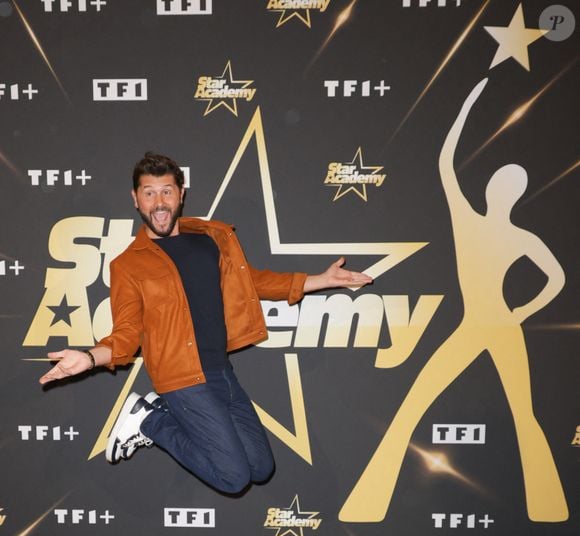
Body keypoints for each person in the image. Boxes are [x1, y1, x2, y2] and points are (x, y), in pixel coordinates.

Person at [40, 152, 372, 493]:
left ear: (181, 194)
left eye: (167, 191)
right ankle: (151, 422)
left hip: (220, 371)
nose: (159, 202)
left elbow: (251, 284)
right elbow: (127, 334)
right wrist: (91, 357)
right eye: (149, 192)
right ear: (135, 199)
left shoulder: (212, 237)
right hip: (181, 379)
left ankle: (153, 414)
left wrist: (319, 280)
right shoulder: (128, 265)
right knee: (233, 478)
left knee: (261, 467)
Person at [339, 78, 568, 523]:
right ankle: (365, 505)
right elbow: (445, 165)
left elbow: (556, 277)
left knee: (523, 414)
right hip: (482, 326)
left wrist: (520, 312)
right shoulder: (478, 223)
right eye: (497, 183)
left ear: (509, 194)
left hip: (498, 327)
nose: (495, 189)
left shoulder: (494, 228)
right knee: (416, 406)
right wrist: (463, 108)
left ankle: (549, 507)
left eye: (503, 185)